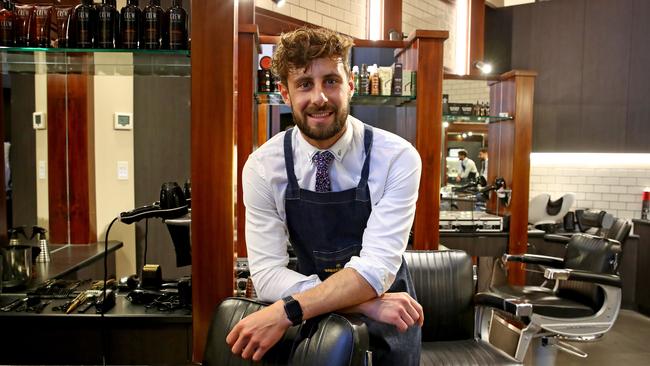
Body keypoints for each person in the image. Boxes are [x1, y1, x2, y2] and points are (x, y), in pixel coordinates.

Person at [227, 27, 423, 365]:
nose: (320, 97)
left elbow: (375, 272)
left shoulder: (396, 157)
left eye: (331, 81)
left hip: (389, 322)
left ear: (349, 85)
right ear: (285, 94)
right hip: (322, 324)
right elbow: (267, 275)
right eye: (305, 84)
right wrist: (363, 301)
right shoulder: (263, 167)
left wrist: (287, 310)